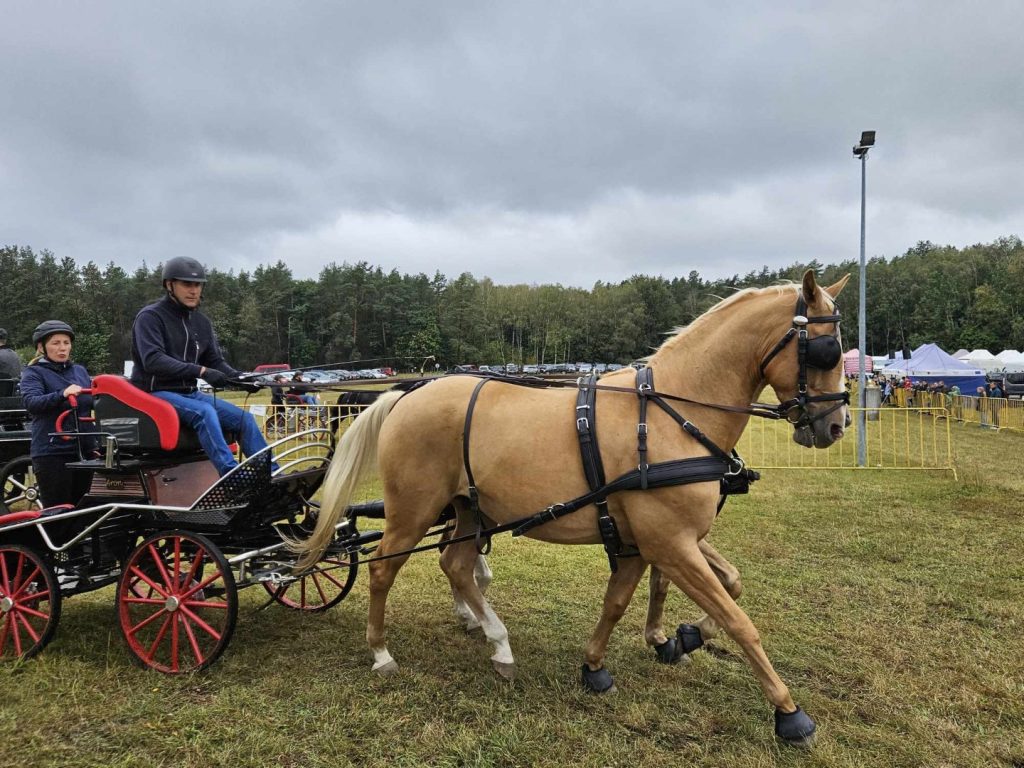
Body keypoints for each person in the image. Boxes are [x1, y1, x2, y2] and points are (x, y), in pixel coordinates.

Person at [130, 257, 270, 476]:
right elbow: (153, 360)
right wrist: (201, 372)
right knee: (204, 412)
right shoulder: (150, 317)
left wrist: (240, 379)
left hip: (189, 394)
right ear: (169, 285)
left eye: (197, 285)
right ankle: (232, 476)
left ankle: (271, 476)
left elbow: (214, 361)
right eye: (187, 284)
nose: (193, 290)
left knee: (245, 420)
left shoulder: (201, 322)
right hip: (154, 393)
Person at [20, 320, 98, 508]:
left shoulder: (79, 371)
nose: (62, 348)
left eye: (66, 342)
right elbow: (32, 403)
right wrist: (61, 394)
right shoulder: (33, 373)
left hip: (84, 451)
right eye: (55, 343)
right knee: (58, 512)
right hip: (52, 452)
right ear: (41, 347)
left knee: (83, 510)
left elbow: (91, 404)